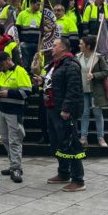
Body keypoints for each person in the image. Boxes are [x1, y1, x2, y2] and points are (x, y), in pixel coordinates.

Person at [39, 38, 85, 192]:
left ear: (63, 48)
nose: (51, 48)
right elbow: (53, 83)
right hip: (51, 108)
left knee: (70, 143)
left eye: (54, 45)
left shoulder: (71, 65)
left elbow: (74, 89)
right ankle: (63, 172)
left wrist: (66, 109)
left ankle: (78, 179)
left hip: (63, 111)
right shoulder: (54, 64)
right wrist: (41, 81)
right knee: (57, 142)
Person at [0, 52, 32, 183]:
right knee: (5, 139)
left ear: (8, 60)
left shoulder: (20, 71)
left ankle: (16, 168)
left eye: (1, 63)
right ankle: (13, 165)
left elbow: (26, 92)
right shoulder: (1, 74)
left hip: (15, 111)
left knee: (14, 140)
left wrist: (8, 93)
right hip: (2, 110)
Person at [76, 35, 108, 147]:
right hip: (83, 89)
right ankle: (83, 137)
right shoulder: (77, 57)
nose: (79, 45)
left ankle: (101, 138)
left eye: (81, 44)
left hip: (95, 90)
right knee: (84, 113)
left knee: (97, 113)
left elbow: (106, 72)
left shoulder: (98, 57)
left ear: (88, 46)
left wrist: (94, 75)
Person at [16, 0, 42, 70]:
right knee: (26, 64)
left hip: (37, 43)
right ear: (32, 4)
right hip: (25, 43)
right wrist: (21, 41)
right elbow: (17, 29)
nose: (39, 7)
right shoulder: (22, 14)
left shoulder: (40, 15)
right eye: (37, 5)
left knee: (35, 64)